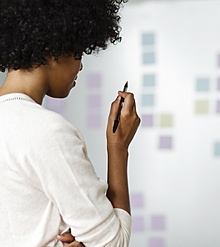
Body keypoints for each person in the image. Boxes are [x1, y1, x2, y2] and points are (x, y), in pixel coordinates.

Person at [0, 0, 140, 246]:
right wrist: (118, 147)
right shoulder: (46, 132)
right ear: (53, 49)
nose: (81, 65)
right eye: (78, 52)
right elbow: (113, 243)